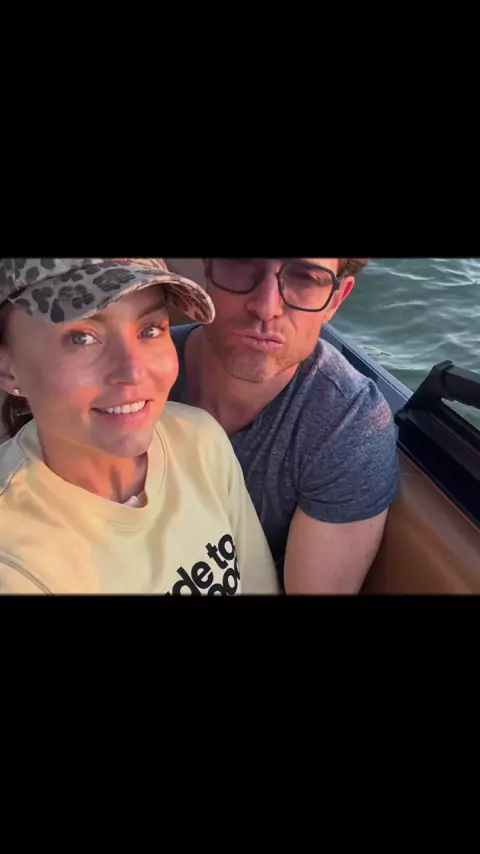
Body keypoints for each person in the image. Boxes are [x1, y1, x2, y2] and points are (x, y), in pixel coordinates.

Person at [0, 258, 279, 595]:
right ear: (7, 368)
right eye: (81, 338)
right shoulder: (13, 561)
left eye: (150, 330)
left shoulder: (198, 439)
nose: (133, 371)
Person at [166, 258, 400, 594]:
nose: (265, 307)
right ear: (208, 267)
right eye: (241, 263)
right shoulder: (129, 383)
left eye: (305, 277)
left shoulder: (347, 424)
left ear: (335, 299)